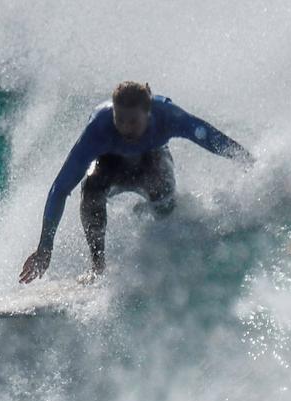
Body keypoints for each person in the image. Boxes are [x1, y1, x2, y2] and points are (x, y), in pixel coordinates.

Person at [18, 81, 253, 284]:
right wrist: (44, 248)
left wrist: (248, 161)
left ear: (148, 112)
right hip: (110, 165)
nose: (125, 127)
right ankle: (98, 268)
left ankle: (164, 250)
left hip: (152, 160)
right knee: (90, 191)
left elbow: (209, 137)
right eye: (119, 119)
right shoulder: (99, 128)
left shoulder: (167, 116)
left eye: (133, 121)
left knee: (161, 193)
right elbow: (60, 189)